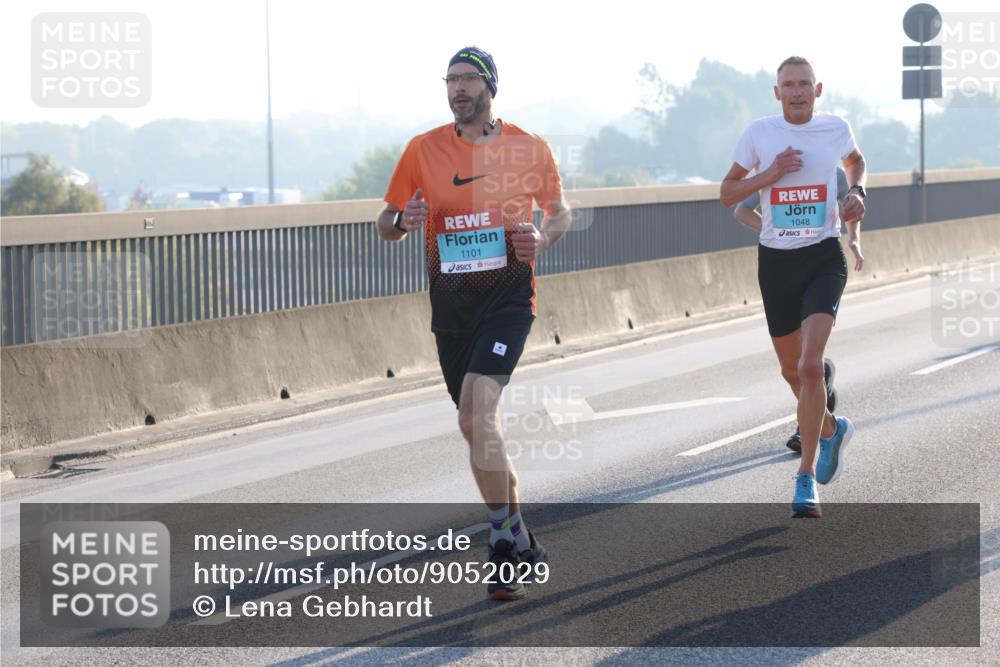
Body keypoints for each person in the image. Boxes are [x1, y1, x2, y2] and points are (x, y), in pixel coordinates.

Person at [375, 47, 572, 598]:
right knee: (478, 427)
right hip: (452, 309)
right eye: (451, 80)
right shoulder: (422, 149)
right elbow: (386, 221)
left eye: (469, 79)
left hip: (508, 301)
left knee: (476, 411)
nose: (458, 88)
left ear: (490, 87)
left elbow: (557, 213)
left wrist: (543, 237)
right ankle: (524, 539)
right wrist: (402, 221)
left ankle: (503, 544)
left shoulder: (528, 148)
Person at [720, 56, 867, 518]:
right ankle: (829, 429)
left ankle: (804, 479)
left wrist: (857, 193)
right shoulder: (759, 134)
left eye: (805, 84)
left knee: (809, 367)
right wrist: (771, 174)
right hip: (776, 264)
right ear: (777, 91)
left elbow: (856, 162)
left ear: (818, 90)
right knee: (790, 373)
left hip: (823, 258)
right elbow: (728, 193)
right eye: (790, 85)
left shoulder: (835, 128)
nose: (798, 91)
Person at [733, 167, 849, 454]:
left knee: (807, 359)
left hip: (820, 265)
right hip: (780, 267)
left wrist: (853, 235)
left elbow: (850, 206)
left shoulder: (832, 171)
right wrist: (776, 231)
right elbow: (740, 210)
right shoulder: (775, 171)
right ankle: (822, 379)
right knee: (794, 363)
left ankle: (806, 427)